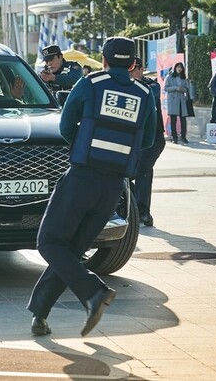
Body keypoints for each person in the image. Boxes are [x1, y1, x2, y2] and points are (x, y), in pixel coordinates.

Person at [27, 37, 155, 337]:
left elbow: (64, 127)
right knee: (69, 250)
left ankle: (94, 293)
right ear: (133, 64)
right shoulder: (144, 93)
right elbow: (147, 139)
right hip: (114, 189)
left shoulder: (90, 83)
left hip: (82, 178)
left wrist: (86, 145)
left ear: (105, 60)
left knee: (49, 242)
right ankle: (40, 315)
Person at [130, 57, 166, 227]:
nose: (132, 72)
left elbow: (150, 95)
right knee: (141, 170)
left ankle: (141, 211)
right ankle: (138, 210)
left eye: (135, 68)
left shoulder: (151, 86)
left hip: (153, 138)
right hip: (132, 137)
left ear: (141, 69)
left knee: (141, 170)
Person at [164, 62, 190, 144]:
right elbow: (166, 88)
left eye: (181, 68)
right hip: (173, 100)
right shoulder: (170, 77)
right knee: (173, 120)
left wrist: (183, 89)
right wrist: (175, 88)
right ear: (175, 68)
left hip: (182, 100)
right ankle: (174, 137)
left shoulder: (183, 78)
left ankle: (183, 136)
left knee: (183, 120)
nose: (179, 69)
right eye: (178, 67)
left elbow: (187, 88)